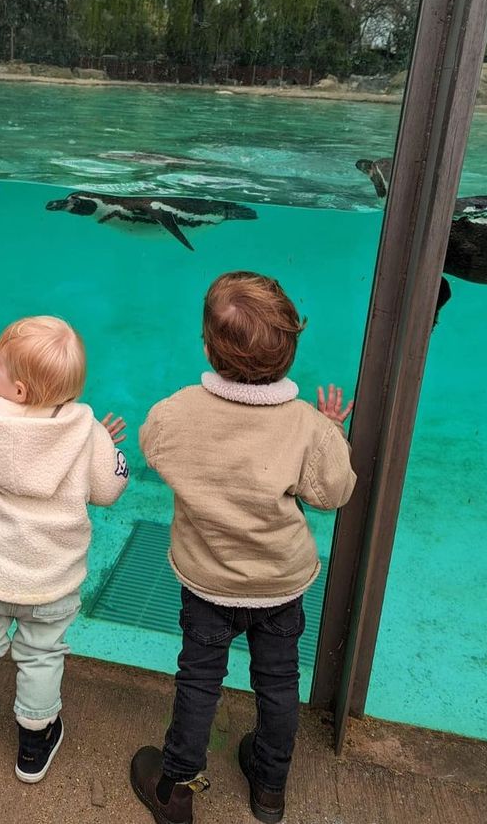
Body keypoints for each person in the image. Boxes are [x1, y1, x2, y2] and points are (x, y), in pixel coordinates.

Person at [130, 271, 357, 824]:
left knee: (199, 681)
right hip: (280, 585)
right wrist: (330, 434)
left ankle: (175, 787)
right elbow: (333, 493)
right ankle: (270, 786)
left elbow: (153, 447)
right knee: (278, 684)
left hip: (207, 584)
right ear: (290, 353)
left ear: (207, 346)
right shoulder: (307, 426)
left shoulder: (176, 412)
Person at [0, 315, 129, 783]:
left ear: (19, 391)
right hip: (51, 583)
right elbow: (108, 491)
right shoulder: (90, 434)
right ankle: (32, 743)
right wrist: (111, 450)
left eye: (0, 372)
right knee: (41, 657)